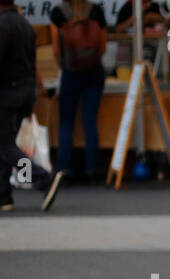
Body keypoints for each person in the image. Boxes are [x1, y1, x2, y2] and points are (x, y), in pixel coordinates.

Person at [0, 0, 65, 212]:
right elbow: (31, 61)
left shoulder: (0, 26)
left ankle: (42, 179)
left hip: (5, 92)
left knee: (4, 144)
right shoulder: (24, 24)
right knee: (6, 143)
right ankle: (1, 195)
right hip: (24, 92)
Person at [49, 0, 107, 184]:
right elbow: (103, 47)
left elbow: (57, 50)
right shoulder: (96, 11)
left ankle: (64, 169)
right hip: (94, 72)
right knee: (90, 121)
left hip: (71, 72)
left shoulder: (58, 13)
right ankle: (92, 168)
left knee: (66, 122)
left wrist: (65, 66)